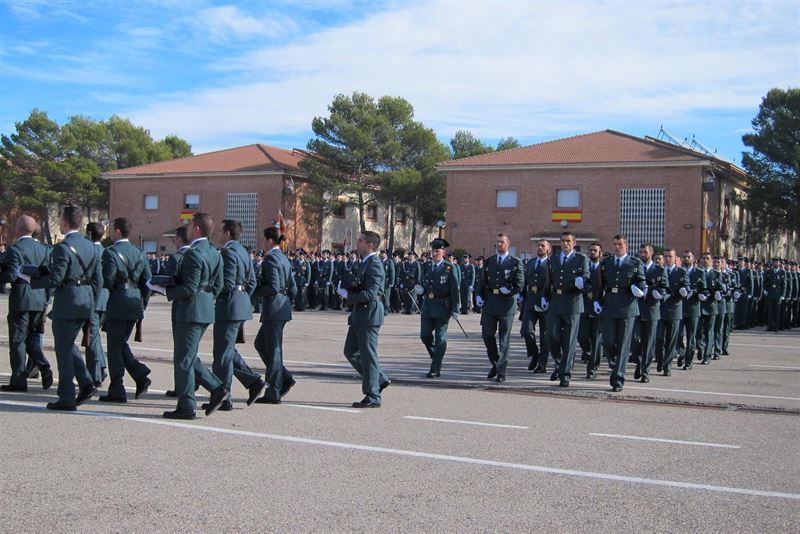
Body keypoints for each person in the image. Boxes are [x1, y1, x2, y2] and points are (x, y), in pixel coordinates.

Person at [27, 206, 101, 410]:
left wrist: (34, 278)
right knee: (68, 345)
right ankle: (86, 383)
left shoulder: (63, 247)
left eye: (60, 219)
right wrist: (92, 302)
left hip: (68, 301)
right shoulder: (92, 246)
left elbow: (56, 278)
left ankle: (67, 396)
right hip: (86, 300)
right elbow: (98, 279)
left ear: (65, 222)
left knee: (63, 349)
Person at [160, 213, 229, 419]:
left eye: (189, 226)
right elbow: (218, 285)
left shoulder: (193, 253)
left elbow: (189, 288)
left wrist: (165, 291)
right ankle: (216, 390)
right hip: (205, 309)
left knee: (183, 360)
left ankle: (188, 405)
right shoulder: (215, 252)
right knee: (188, 356)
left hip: (190, 311)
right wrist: (207, 299)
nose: (187, 229)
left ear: (197, 229)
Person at [212, 219, 266, 409]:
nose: (218, 233)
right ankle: (253, 382)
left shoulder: (228, 252)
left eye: (220, 230)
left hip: (228, 305)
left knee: (222, 354)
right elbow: (251, 282)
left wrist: (211, 293)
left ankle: (224, 396)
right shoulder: (243, 251)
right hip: (239, 304)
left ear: (227, 233)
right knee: (227, 350)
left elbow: (226, 283)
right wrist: (243, 299)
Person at [98, 217, 153, 403]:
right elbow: (148, 281)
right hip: (134, 302)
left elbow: (107, 280)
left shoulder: (110, 253)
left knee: (114, 347)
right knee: (120, 343)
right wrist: (142, 304)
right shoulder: (139, 253)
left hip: (118, 302)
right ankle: (140, 374)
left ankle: (118, 388)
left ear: (118, 231)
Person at [337, 231, 390, 407]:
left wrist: (348, 296)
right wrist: (350, 288)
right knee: (350, 351)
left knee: (368, 356)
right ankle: (379, 379)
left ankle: (373, 395)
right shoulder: (365, 263)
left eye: (360, 241)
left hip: (369, 314)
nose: (356, 243)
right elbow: (362, 286)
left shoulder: (374, 264)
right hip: (360, 314)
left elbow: (371, 293)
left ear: (369, 245)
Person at [0, 215, 53, 392]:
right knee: (31, 338)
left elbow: (12, 275)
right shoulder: (44, 249)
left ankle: (19, 380)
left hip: (21, 298)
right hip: (39, 298)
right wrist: (46, 299)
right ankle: (42, 365)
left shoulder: (15, 249)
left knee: (17, 340)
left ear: (20, 228)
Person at [595, 234, 646, 392]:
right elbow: (599, 283)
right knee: (609, 342)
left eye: (620, 244)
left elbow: (641, 283)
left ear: (626, 247)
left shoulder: (635, 263)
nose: (617, 247)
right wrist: (597, 300)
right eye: (615, 244)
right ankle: (614, 363)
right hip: (609, 305)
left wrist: (639, 290)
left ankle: (618, 378)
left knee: (623, 344)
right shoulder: (606, 263)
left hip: (627, 306)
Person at [252, 226, 297, 404]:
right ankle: (284, 377)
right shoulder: (284, 259)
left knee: (273, 349)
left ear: (270, 240)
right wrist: (287, 303)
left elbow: (274, 286)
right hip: (282, 307)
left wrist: (255, 292)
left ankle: (274, 390)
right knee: (261, 344)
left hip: (274, 307)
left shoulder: (270, 259)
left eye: (265, 239)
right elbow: (292, 287)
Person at [476, 233, 524, 382]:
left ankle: (501, 371)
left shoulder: (515, 262)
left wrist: (510, 292)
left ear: (508, 243)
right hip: (490, 303)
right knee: (487, 335)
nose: (499, 244)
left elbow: (520, 284)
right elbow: (482, 282)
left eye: (502, 242)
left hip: (506, 305)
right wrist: (479, 295)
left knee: (504, 340)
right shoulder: (489, 262)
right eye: (497, 242)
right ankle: (495, 362)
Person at [546, 231, 589, 387]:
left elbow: (586, 278)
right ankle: (559, 362)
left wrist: (582, 283)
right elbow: (548, 279)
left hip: (572, 302)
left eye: (568, 241)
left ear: (574, 243)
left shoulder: (581, 259)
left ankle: (565, 373)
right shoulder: (554, 259)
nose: (565, 243)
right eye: (563, 241)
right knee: (552, 336)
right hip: (556, 301)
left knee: (570, 340)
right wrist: (545, 296)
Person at [416, 238, 460, 378]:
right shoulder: (427, 266)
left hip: (443, 306)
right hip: (428, 305)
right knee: (425, 335)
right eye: (433, 251)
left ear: (443, 252)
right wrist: (420, 289)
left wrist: (455, 309)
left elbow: (454, 290)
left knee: (440, 338)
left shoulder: (449, 268)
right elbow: (422, 281)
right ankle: (437, 357)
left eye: (437, 251)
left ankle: (435, 367)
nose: (435, 254)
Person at [632, 243, 667, 383]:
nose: (642, 255)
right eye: (640, 252)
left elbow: (663, 287)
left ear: (651, 253)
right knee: (634, 340)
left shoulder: (659, 270)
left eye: (645, 252)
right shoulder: (635, 268)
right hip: (636, 309)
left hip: (652, 309)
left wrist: (657, 293)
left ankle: (645, 371)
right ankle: (639, 362)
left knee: (648, 342)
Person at [521, 240, 551, 373]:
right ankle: (534, 354)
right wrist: (521, 294)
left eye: (543, 246)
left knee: (545, 335)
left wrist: (549, 298)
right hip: (531, 300)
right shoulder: (531, 263)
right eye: (538, 245)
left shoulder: (551, 264)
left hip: (545, 301)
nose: (540, 248)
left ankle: (542, 363)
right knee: (527, 330)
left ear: (548, 249)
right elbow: (525, 280)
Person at [658, 248, 690, 376]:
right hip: (659, 309)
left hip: (674, 309)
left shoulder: (681, 272)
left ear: (675, 258)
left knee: (671, 340)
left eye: (669, 256)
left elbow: (686, 287)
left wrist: (684, 292)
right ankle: (660, 360)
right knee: (659, 338)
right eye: (665, 256)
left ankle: (667, 366)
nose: (667, 259)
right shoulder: (658, 270)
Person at [84, 222, 108, 387]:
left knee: (90, 337)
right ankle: (100, 366)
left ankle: (95, 375)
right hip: (105, 299)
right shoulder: (107, 252)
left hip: (93, 298)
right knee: (95, 336)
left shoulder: (88, 251)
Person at [579, 242, 604, 379]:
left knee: (596, 339)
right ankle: (588, 352)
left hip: (598, 307)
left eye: (595, 250)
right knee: (581, 336)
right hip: (584, 305)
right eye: (591, 250)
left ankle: (593, 367)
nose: (592, 252)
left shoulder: (604, 268)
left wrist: (600, 302)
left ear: (600, 253)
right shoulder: (584, 267)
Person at [678, 251, 706, 370]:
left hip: (693, 308)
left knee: (691, 336)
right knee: (678, 335)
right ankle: (682, 352)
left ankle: (689, 361)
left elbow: (703, 289)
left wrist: (697, 293)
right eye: (684, 257)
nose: (686, 258)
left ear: (693, 259)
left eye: (688, 257)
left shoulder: (699, 273)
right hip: (680, 308)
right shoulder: (679, 272)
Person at [763, 257, 785, 332]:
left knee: (777, 312)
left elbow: (784, 285)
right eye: (774, 262)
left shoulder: (782, 272)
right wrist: (765, 289)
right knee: (770, 311)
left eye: (777, 262)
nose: (775, 263)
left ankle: (776, 326)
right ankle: (770, 326)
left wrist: (783, 295)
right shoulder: (769, 272)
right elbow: (765, 282)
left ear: (779, 263)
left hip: (778, 294)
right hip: (770, 294)